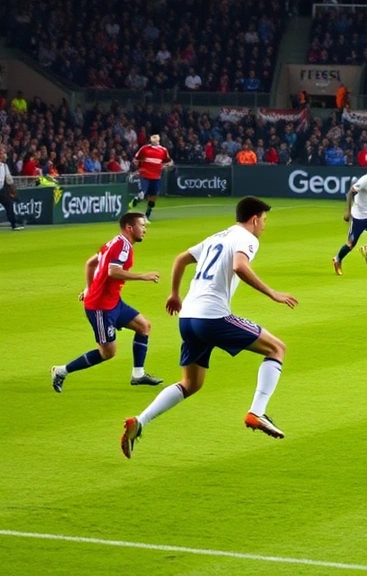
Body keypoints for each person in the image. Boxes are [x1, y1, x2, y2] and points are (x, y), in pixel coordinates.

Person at [120, 197, 298, 458]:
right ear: (255, 219)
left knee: (191, 383)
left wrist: (174, 294)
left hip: (188, 318)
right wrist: (272, 293)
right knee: (277, 348)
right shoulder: (247, 238)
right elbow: (239, 266)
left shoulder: (217, 236)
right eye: (265, 220)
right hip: (212, 317)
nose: (264, 226)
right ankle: (256, 412)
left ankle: (140, 421)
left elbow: (181, 259)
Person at [50, 213, 163, 393]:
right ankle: (61, 371)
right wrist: (143, 276)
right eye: (142, 226)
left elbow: (90, 263)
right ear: (129, 227)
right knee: (107, 353)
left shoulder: (113, 243)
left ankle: (138, 374)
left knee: (144, 326)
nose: (145, 230)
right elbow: (113, 271)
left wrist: (89, 288)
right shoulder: (122, 247)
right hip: (101, 308)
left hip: (113, 302)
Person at [130, 134, 174, 222]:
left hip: (156, 176)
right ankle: (136, 200)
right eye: (153, 140)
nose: (154, 142)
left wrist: (168, 165)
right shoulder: (144, 149)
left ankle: (148, 213)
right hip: (145, 175)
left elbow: (169, 161)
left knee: (153, 196)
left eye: (156, 140)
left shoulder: (163, 150)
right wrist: (138, 166)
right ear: (151, 141)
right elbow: (136, 159)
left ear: (158, 141)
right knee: (143, 192)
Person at [0, 149, 25, 231]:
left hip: (1, 190)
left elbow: (9, 180)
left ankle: (14, 224)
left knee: (9, 205)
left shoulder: (4, 166)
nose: (5, 155)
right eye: (3, 153)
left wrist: (14, 191)